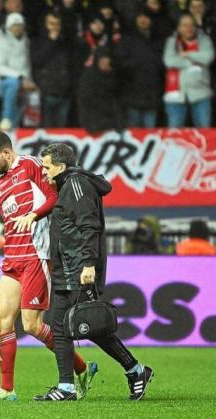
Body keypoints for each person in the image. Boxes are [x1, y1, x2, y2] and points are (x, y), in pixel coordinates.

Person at [0, 131, 93, 402]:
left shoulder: (30, 165)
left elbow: (55, 198)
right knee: (1, 321)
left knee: (31, 325)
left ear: (6, 152)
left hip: (36, 256)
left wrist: (33, 214)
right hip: (12, 258)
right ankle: (7, 389)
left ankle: (82, 367)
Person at [34, 142, 154, 401]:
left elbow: (89, 226)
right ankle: (67, 387)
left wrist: (88, 264)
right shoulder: (68, 185)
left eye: (46, 167)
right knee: (60, 325)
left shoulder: (76, 184)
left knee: (91, 326)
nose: (43, 172)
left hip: (79, 268)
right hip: (67, 268)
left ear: (61, 167)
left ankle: (135, 370)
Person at [163, 13, 215, 128]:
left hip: (201, 94)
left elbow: (207, 57)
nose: (188, 28)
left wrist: (186, 54)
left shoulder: (204, 39)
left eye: (191, 25)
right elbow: (169, 61)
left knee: (204, 135)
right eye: (185, 25)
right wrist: (191, 62)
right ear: (178, 27)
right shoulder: (171, 41)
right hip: (175, 96)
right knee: (174, 136)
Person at [0, 12, 38, 131]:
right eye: (15, 25)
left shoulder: (25, 41)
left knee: (33, 94)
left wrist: (29, 81)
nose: (18, 28)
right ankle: (5, 119)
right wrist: (20, 78)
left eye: (20, 25)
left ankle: (28, 127)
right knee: (13, 84)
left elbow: (27, 66)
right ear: (8, 26)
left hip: (21, 83)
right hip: (2, 83)